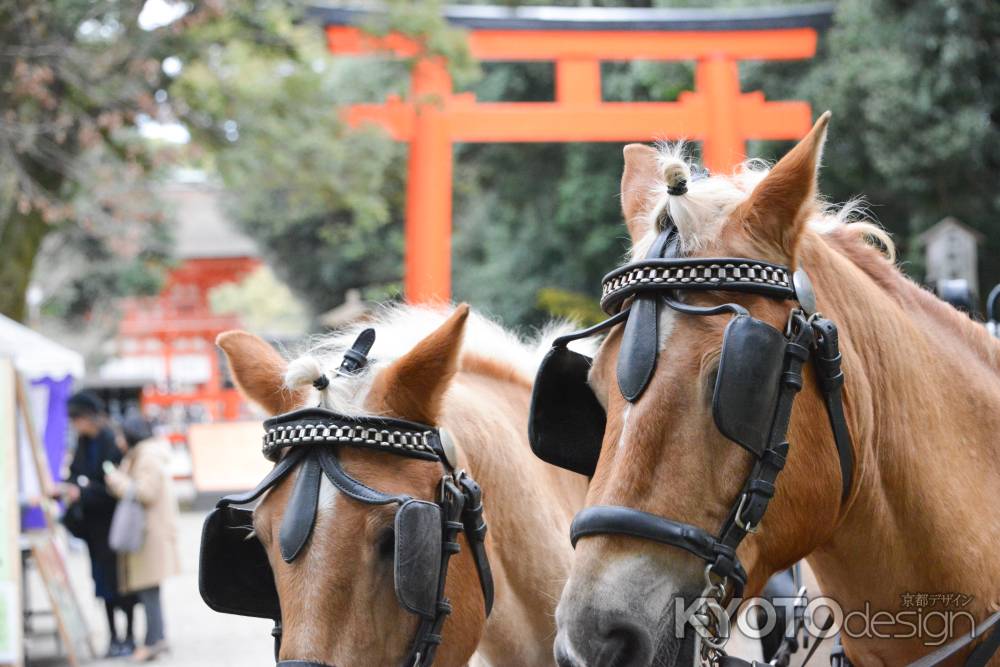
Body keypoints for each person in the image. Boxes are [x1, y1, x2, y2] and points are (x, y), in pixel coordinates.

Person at [59, 391, 137, 657]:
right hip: (93, 528)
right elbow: (75, 475)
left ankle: (129, 637)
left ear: (87, 417)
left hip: (114, 525)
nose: (74, 424)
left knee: (122, 584)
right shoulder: (83, 443)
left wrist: (83, 491)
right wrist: (68, 488)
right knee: (102, 584)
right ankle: (113, 636)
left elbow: (115, 486)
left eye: (76, 419)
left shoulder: (111, 443)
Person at [105, 415, 180, 662]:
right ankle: (157, 638)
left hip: (150, 535)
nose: (118, 441)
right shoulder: (145, 453)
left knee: (149, 591)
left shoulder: (146, 456)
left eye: (120, 435)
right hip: (148, 534)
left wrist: (117, 480)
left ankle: (153, 642)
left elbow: (145, 492)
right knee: (150, 591)